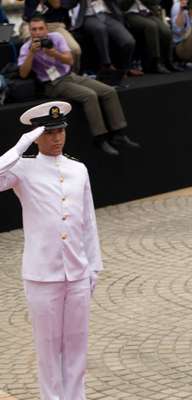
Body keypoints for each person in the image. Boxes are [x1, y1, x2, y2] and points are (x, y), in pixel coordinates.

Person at [0, 101, 104, 400]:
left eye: (60, 131)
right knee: (48, 351)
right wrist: (21, 145)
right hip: (42, 276)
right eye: (48, 132)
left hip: (77, 274)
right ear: (36, 135)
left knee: (76, 350)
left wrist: (93, 268)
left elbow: (88, 222)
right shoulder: (22, 169)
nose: (57, 138)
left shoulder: (78, 169)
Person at [18, 15, 140, 156]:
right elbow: (23, 74)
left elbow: (70, 61)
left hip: (70, 75)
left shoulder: (56, 37)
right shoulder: (26, 48)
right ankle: (100, 138)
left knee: (108, 91)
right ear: (30, 31)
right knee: (89, 95)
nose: (38, 32)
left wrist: (54, 53)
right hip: (52, 83)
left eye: (40, 28)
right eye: (34, 29)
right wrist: (31, 53)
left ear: (46, 29)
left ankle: (118, 133)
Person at [68, 0, 142, 76]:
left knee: (129, 41)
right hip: (88, 15)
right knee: (100, 29)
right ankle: (107, 65)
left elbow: (120, 3)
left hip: (107, 14)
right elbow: (69, 4)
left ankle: (124, 69)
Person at [120, 0, 182, 73]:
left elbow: (156, 2)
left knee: (166, 31)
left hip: (148, 12)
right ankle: (154, 63)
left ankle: (168, 62)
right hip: (130, 14)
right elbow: (122, 6)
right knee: (151, 26)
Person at [17, 0, 82, 71]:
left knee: (75, 50)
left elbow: (56, 5)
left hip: (55, 24)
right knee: (32, 44)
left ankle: (72, 75)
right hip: (31, 23)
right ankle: (36, 76)